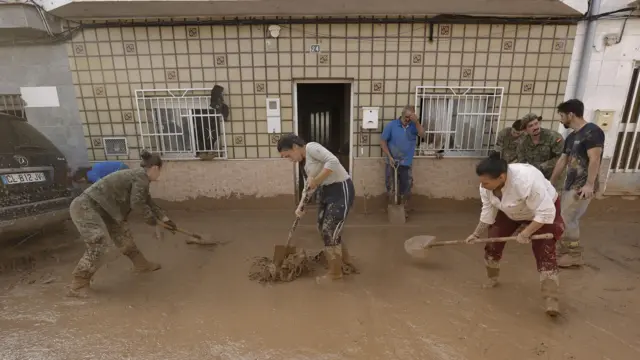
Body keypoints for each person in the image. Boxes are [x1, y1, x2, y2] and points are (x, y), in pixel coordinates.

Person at [466, 153, 565, 316]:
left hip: (541, 211)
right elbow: (488, 210)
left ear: (501, 177)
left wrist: (526, 232)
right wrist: (476, 234)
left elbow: (545, 213)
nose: (482, 186)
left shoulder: (526, 180)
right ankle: (492, 277)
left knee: (545, 252)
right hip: (510, 211)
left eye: (486, 182)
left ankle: (551, 298)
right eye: (481, 182)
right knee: (492, 243)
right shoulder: (486, 187)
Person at [66, 150, 177, 297]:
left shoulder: (139, 177)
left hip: (105, 210)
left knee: (124, 236)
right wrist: (152, 220)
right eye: (160, 171)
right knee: (99, 244)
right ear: (155, 168)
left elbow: (148, 201)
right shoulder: (141, 178)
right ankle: (78, 284)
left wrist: (165, 220)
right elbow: (137, 203)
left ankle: (141, 265)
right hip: (86, 208)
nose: (159, 175)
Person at [277, 134, 355, 283]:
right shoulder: (304, 164)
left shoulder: (311, 148)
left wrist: (317, 180)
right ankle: (346, 261)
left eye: (288, 156)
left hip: (341, 189)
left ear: (295, 147)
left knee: (329, 229)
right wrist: (300, 207)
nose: (290, 160)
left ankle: (335, 273)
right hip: (326, 192)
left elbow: (333, 161)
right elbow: (309, 187)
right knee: (322, 227)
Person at [550, 99, 605, 268]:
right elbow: (563, 160)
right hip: (570, 184)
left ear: (571, 114)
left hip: (581, 187)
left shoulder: (592, 132)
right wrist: (550, 182)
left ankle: (573, 255)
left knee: (567, 219)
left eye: (562, 115)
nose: (560, 119)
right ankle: (568, 252)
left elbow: (594, 159)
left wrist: (589, 185)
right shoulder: (572, 136)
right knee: (566, 219)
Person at [380, 105, 425, 217]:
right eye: (407, 117)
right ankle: (392, 207)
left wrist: (417, 122)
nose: (408, 119)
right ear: (402, 115)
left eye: (411, 117)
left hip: (406, 162)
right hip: (392, 161)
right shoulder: (392, 125)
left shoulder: (414, 126)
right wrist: (390, 157)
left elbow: (423, 135)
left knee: (407, 186)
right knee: (391, 185)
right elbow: (383, 142)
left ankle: (403, 208)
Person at [516, 113, 564, 180]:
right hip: (534, 178)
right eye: (531, 126)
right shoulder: (523, 142)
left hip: (554, 177)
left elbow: (562, 158)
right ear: (525, 130)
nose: (535, 127)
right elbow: (521, 162)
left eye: (536, 123)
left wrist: (543, 166)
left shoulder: (553, 137)